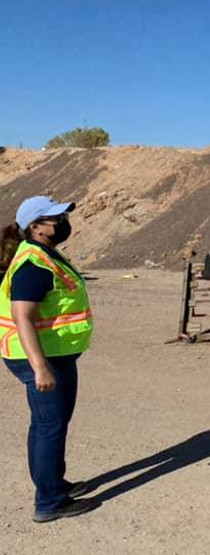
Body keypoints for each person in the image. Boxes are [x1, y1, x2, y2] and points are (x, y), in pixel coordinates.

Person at [0, 196, 97, 523]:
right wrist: (40, 368)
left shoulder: (45, 254)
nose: (63, 223)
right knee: (49, 427)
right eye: (55, 219)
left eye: (63, 216)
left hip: (56, 355)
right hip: (40, 358)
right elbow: (22, 316)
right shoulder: (32, 264)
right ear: (35, 226)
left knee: (50, 425)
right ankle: (49, 502)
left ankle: (53, 483)